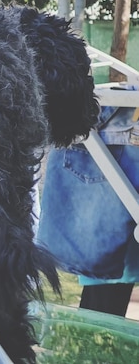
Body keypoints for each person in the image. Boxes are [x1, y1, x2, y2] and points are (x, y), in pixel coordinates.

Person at [37, 99, 139, 317]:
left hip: (106, 127)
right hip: (108, 129)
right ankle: (99, 340)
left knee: (105, 288)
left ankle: (99, 340)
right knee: (106, 282)